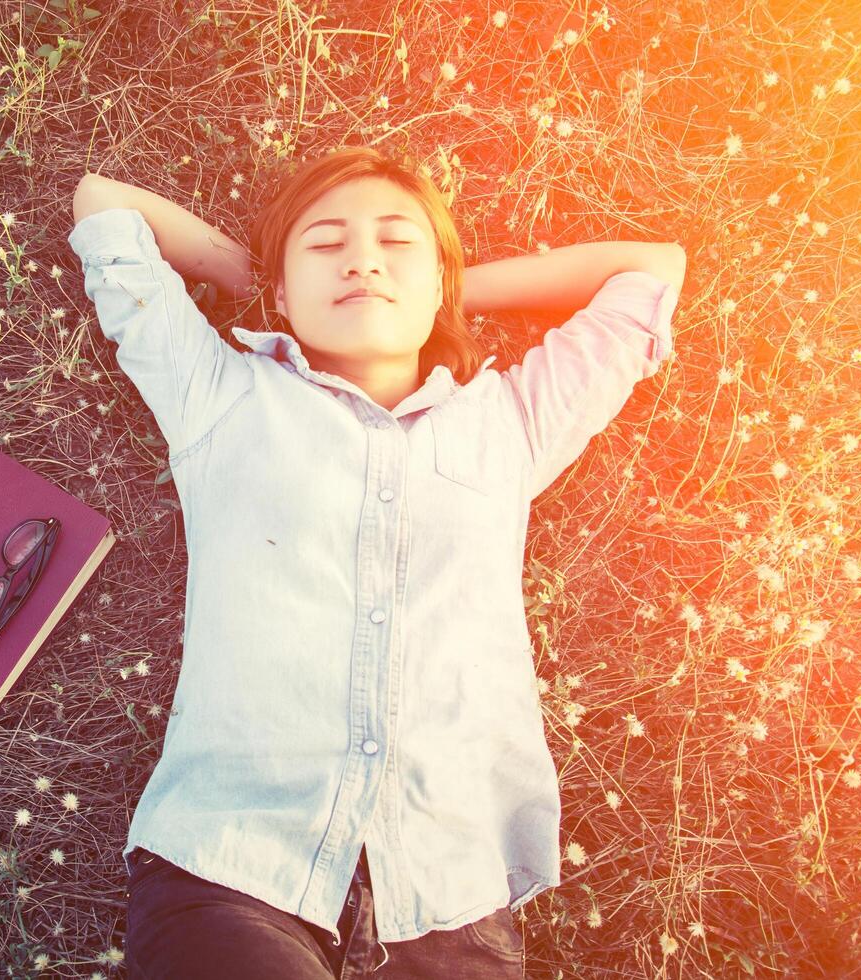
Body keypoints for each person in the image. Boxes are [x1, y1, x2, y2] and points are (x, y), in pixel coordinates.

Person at [67, 145, 685, 978]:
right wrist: (269, 278)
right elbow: (104, 205)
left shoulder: (507, 425)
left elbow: (650, 268)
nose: (361, 258)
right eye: (326, 246)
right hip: (232, 867)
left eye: (397, 243)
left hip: (449, 898)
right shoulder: (222, 396)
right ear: (284, 292)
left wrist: (449, 287)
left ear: (439, 286)